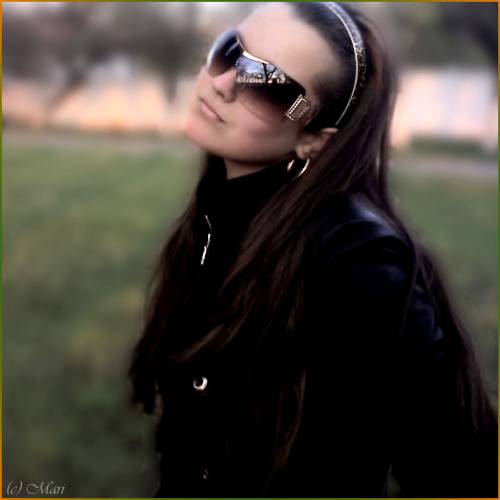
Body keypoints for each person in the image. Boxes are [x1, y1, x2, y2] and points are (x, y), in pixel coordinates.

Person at [127, 2, 498, 497]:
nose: (223, 83)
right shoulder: (219, 216)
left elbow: (462, 471)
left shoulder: (357, 264)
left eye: (267, 84)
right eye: (229, 50)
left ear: (314, 140)